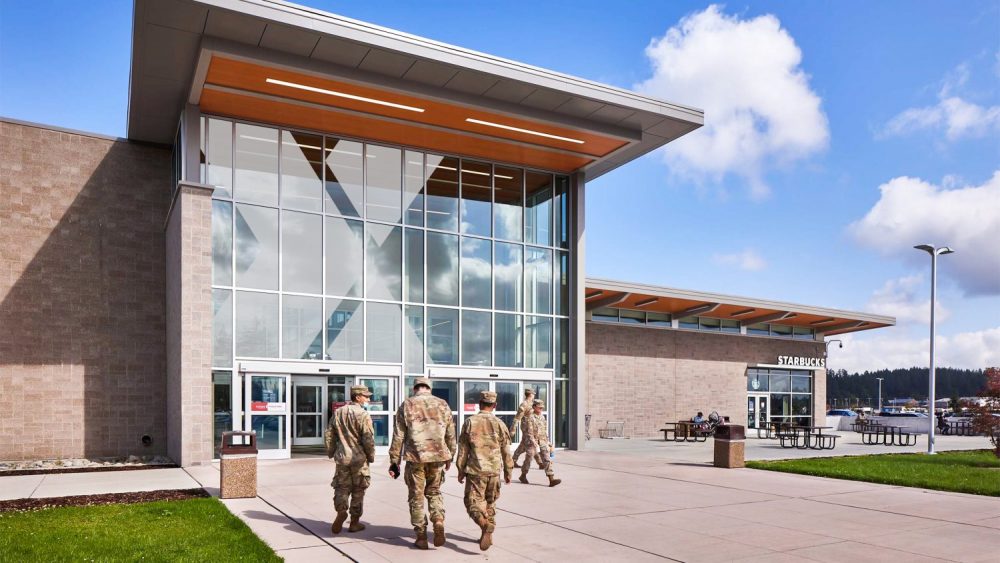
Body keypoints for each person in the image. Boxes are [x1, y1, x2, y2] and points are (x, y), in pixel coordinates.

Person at [388, 377, 457, 550]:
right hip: (438, 457)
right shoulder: (443, 404)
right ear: (429, 388)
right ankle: (438, 520)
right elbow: (450, 433)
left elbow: (399, 435)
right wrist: (450, 456)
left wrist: (394, 462)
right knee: (434, 492)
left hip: (415, 458)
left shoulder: (407, 404)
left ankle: (421, 536)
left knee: (416, 497)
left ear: (415, 389)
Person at [456, 390, 513, 551]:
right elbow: (506, 451)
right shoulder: (500, 424)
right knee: (490, 503)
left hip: (476, 471)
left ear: (479, 404)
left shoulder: (470, 422)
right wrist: (508, 472)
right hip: (494, 472)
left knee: (472, 503)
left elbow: (463, 450)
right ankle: (488, 533)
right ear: (494, 405)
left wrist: (460, 469)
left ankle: (484, 524)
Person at [325, 385, 375, 534]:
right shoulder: (363, 414)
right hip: (359, 459)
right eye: (366, 396)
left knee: (341, 487)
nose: (368, 399)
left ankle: (341, 511)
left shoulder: (338, 412)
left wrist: (331, 451)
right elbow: (368, 438)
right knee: (359, 490)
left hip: (342, 458)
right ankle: (354, 522)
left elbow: (329, 434)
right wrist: (371, 456)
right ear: (357, 397)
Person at [518, 400, 561, 487]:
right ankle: (523, 475)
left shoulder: (542, 417)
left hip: (542, 441)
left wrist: (548, 441)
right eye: (539, 407)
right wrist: (534, 443)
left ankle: (551, 479)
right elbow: (529, 432)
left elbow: (544, 430)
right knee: (529, 459)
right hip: (532, 442)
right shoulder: (530, 417)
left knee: (546, 458)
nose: (541, 409)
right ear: (534, 407)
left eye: (542, 407)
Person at [509, 388, 535, 468]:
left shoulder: (532, 403)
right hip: (526, 427)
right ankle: (540, 462)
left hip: (532, 427)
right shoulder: (524, 404)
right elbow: (517, 418)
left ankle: (513, 460)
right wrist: (513, 429)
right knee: (531, 444)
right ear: (530, 394)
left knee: (524, 444)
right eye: (533, 394)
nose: (534, 396)